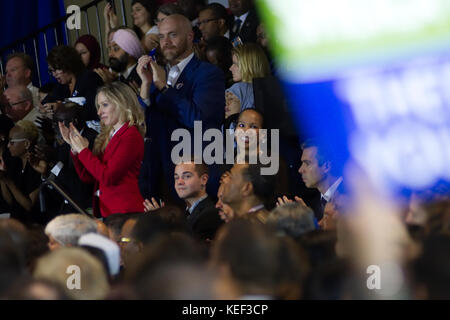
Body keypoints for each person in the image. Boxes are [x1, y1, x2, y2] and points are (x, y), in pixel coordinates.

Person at [137, 14, 225, 201]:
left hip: (193, 176)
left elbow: (197, 119)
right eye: (161, 37)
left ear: (190, 37)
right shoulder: (155, 75)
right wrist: (145, 87)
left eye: (172, 35)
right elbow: (140, 125)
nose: (166, 42)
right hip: (158, 176)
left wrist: (163, 87)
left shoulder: (208, 74)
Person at [59, 82, 146, 218]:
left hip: (126, 213)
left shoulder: (131, 135)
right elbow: (88, 176)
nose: (99, 112)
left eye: (105, 105)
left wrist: (83, 151)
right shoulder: (109, 135)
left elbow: (108, 177)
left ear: (121, 103)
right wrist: (75, 148)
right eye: (99, 106)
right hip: (109, 212)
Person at [144, 159, 223, 240]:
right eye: (176, 177)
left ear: (204, 179)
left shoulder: (210, 214)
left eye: (187, 176)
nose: (179, 182)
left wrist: (162, 223)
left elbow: (187, 247)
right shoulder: (184, 213)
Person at [277, 139, 344, 221]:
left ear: (326, 167)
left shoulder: (350, 197)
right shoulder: (316, 202)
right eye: (302, 163)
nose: (300, 170)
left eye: (307, 163)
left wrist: (309, 221)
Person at [42, 45, 104, 125]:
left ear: (67, 65)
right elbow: (46, 101)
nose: (54, 74)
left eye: (56, 69)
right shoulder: (62, 86)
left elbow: (94, 109)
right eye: (51, 70)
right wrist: (48, 108)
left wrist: (63, 108)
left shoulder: (89, 78)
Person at [0, 121, 41, 225]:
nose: (8, 146)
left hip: (34, 223)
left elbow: (29, 206)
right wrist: (2, 179)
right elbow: (11, 201)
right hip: (17, 220)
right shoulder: (15, 163)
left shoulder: (36, 165)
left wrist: (8, 181)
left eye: (12, 142)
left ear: (26, 144)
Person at [226, 43, 270, 118]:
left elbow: (229, 124)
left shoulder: (238, 89)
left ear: (248, 66)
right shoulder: (269, 90)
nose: (230, 68)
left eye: (236, 64)